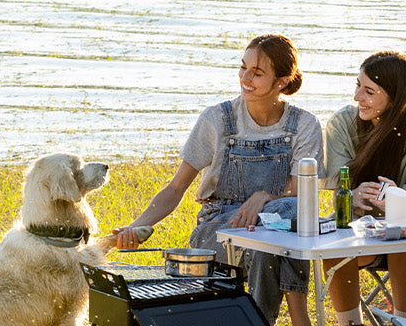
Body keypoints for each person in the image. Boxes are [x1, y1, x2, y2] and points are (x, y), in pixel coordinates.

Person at [112, 34, 318, 326]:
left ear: (281, 81)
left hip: (274, 223)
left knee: (276, 232)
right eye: (242, 68)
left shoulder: (303, 125)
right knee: (274, 239)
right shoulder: (218, 119)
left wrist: (262, 198)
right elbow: (175, 188)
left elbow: (299, 199)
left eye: (257, 73)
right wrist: (135, 226)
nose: (245, 78)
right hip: (219, 225)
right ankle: (299, 320)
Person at [323, 51, 406, 325]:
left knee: (403, 243)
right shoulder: (342, 123)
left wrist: (396, 199)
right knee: (334, 250)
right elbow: (337, 192)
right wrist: (353, 196)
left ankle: (405, 322)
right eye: (357, 85)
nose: (358, 97)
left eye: (369, 91)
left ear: (395, 96)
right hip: (362, 229)